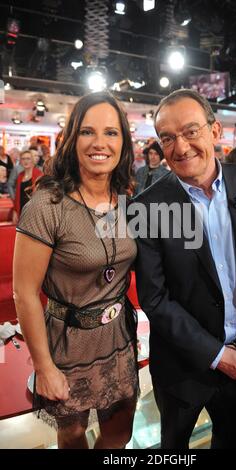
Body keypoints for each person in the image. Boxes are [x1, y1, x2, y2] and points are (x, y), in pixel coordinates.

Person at [134, 89, 236, 449]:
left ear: (215, 131)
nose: (181, 147)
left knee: (234, 440)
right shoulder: (148, 207)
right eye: (168, 138)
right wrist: (217, 357)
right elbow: (155, 299)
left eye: (191, 131)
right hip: (181, 366)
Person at [13, 91, 139, 449]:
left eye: (111, 133)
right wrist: (44, 367)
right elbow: (23, 292)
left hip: (118, 339)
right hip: (66, 346)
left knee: (120, 433)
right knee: (72, 435)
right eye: (88, 132)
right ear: (72, 138)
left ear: (124, 142)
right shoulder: (46, 205)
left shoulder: (128, 199)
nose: (100, 143)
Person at [12, 150, 43, 224]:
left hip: (34, 212)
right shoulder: (20, 175)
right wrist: (15, 210)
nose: (25, 161)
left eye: (28, 158)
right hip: (22, 211)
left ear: (32, 160)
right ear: (20, 161)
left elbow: (42, 196)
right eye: (23, 159)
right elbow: (17, 196)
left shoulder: (39, 174)